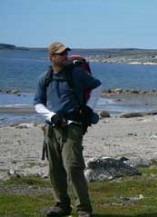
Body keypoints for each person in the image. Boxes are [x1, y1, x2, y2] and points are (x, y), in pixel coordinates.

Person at [34, 42, 101, 217]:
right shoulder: (45, 78)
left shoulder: (77, 73)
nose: (65, 57)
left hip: (73, 127)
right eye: (61, 54)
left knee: (73, 167)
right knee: (55, 169)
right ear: (51, 57)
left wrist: (89, 108)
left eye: (66, 53)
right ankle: (62, 206)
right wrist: (51, 117)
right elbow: (38, 103)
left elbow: (96, 86)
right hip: (51, 129)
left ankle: (84, 209)